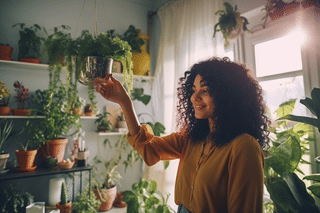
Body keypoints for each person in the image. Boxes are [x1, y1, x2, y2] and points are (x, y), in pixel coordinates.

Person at [95, 57, 270, 213]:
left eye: (205, 90)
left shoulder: (244, 146)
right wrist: (124, 101)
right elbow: (148, 149)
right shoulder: (193, 137)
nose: (195, 97)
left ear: (228, 96)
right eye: (194, 90)